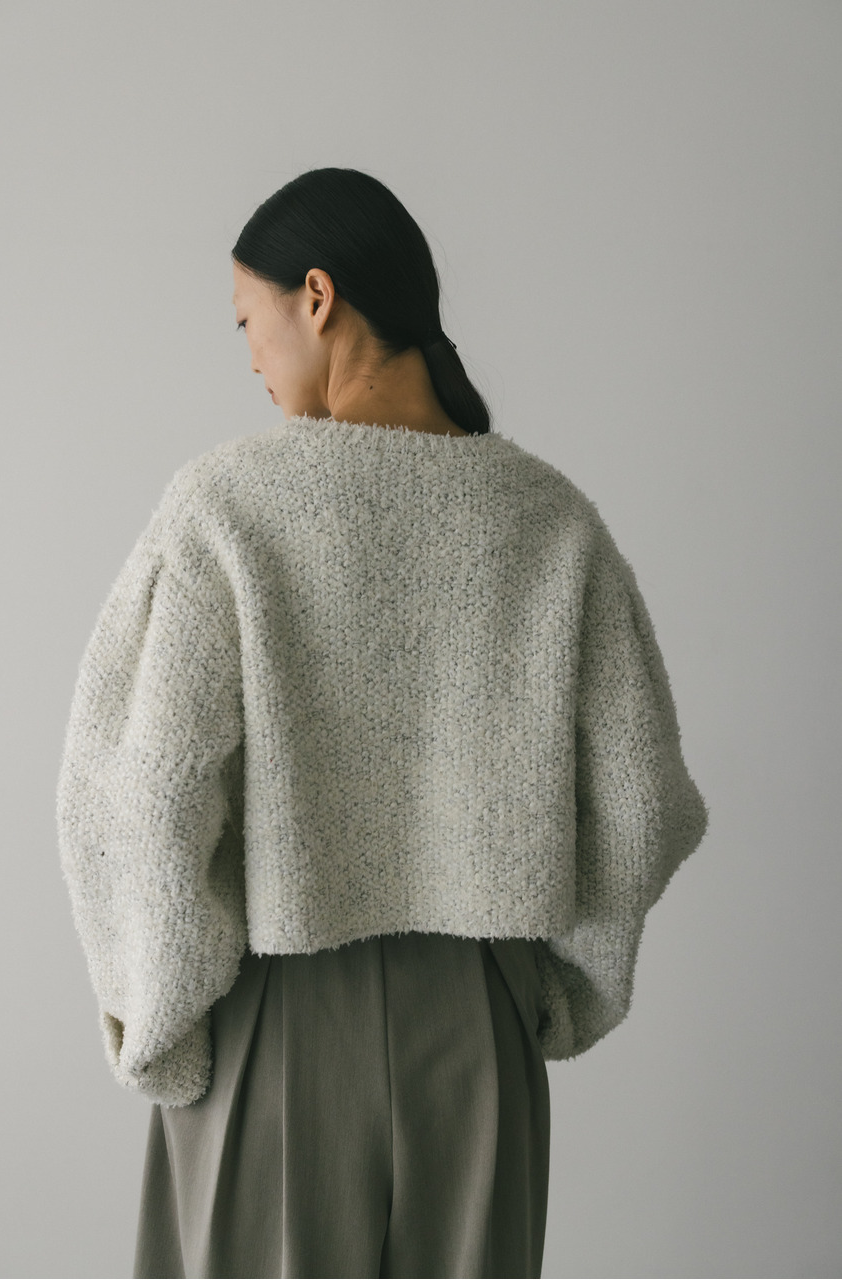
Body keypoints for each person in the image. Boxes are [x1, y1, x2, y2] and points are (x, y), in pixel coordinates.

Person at [55, 166, 709, 1279]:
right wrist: (555, 995)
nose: (250, 358)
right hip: (479, 1033)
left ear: (317, 297)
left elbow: (144, 796)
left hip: (270, 1025)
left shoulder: (227, 507)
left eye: (248, 321)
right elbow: (644, 804)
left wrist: (159, 1019)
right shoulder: (551, 521)